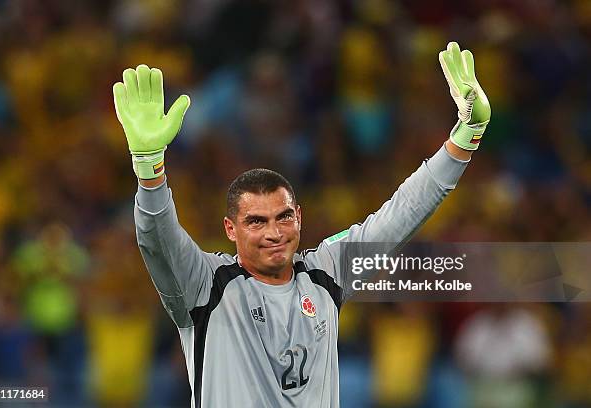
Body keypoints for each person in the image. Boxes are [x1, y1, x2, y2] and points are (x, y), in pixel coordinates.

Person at [112, 42, 491, 407]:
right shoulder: (204, 285)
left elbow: (403, 212)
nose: (274, 233)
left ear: (299, 218)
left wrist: (465, 137)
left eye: (283, 217)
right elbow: (157, 239)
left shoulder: (326, 272)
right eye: (256, 222)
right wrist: (149, 170)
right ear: (231, 229)